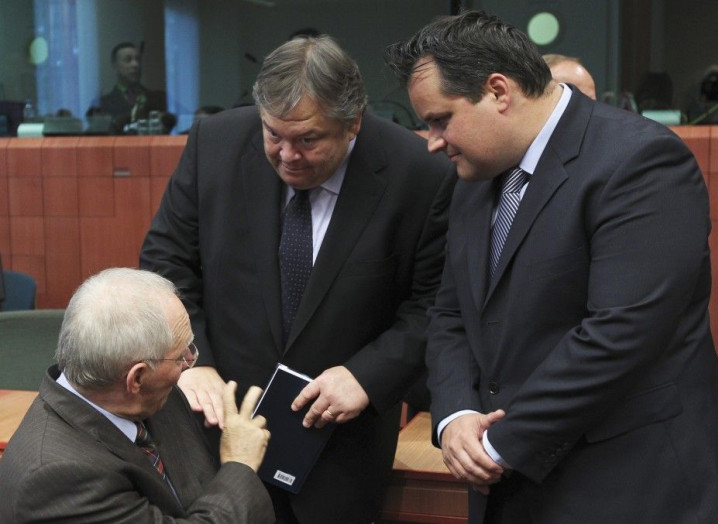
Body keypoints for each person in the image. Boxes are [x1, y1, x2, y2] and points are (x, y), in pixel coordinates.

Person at [385, 10, 718, 523]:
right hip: (506, 483)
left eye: (441, 119)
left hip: (630, 486)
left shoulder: (639, 161)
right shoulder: (473, 173)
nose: (434, 140)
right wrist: (456, 416)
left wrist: (500, 443)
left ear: (499, 91)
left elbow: (619, 334)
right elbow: (451, 313)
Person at [140, 35, 455, 523]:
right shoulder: (215, 144)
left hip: (338, 448)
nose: (287, 155)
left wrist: (367, 375)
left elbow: (433, 303)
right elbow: (166, 264)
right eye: (273, 135)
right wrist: (190, 360)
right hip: (215, 432)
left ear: (352, 123)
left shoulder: (419, 174)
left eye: (309, 140)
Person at [0, 268, 275, 523]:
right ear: (137, 378)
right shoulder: (56, 480)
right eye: (181, 355)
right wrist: (240, 463)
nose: (191, 360)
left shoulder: (150, 395)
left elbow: (198, 488)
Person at [92, 42, 168, 134]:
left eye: (138, 59)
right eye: (128, 60)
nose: (135, 65)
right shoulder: (101, 106)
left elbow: (184, 123)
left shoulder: (160, 99)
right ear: (115, 66)